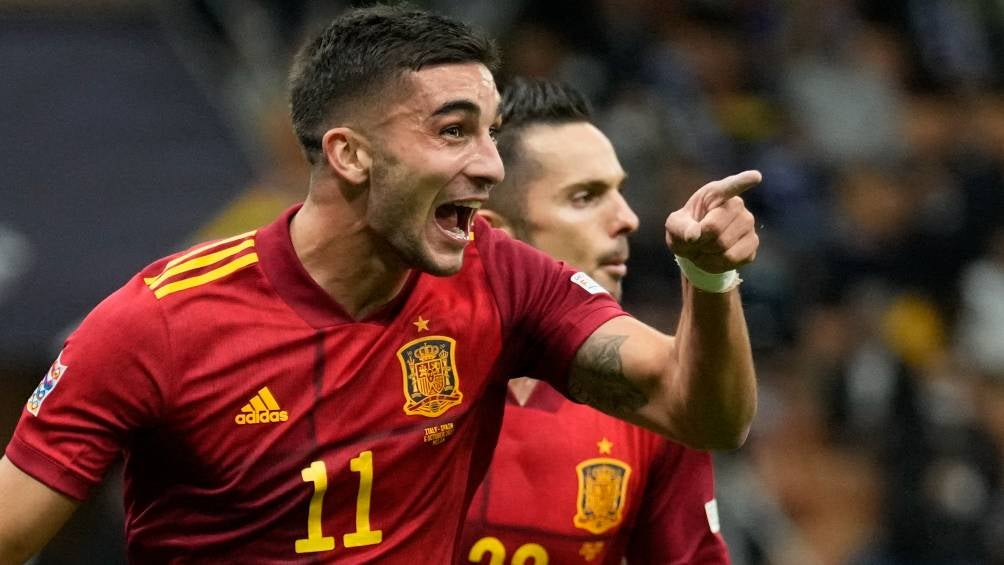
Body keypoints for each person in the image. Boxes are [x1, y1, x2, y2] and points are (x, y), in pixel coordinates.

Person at [0, 5, 760, 563]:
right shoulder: (160, 320)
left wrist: (709, 278)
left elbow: (700, 411)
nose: (491, 166)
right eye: (455, 130)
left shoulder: (502, 276)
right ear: (351, 155)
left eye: (492, 132)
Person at [460, 78, 729, 564]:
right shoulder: (402, 373)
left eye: (619, 193)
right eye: (585, 197)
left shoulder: (650, 392)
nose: (627, 218)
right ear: (494, 234)